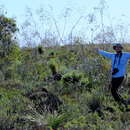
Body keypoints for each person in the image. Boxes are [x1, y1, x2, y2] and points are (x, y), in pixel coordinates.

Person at [96, 43, 130, 107]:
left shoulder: (125, 55)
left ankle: (120, 103)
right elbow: (106, 53)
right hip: (114, 76)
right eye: (116, 47)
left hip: (120, 76)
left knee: (113, 91)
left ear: (121, 48)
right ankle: (123, 102)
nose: (117, 48)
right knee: (114, 90)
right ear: (115, 49)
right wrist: (98, 50)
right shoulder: (113, 56)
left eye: (119, 47)